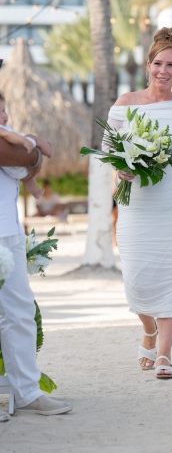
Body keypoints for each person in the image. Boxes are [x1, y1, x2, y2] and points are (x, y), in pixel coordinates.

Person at [104, 27, 172, 379]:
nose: (164, 71)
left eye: (171, 65)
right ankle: (148, 329)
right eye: (158, 64)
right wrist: (122, 171)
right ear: (148, 65)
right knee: (136, 279)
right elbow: (108, 152)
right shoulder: (124, 103)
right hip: (136, 203)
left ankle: (164, 352)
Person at [0, 134, 72, 420]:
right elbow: (25, 158)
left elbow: (26, 163)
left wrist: (30, 155)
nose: (4, 117)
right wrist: (31, 150)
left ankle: (28, 392)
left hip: (10, 233)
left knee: (21, 312)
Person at [0, 92, 53, 200]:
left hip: (12, 171)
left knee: (26, 177)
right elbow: (9, 135)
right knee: (31, 137)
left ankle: (36, 192)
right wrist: (24, 141)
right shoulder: (2, 130)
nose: (4, 115)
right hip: (18, 163)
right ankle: (48, 149)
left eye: (3, 110)